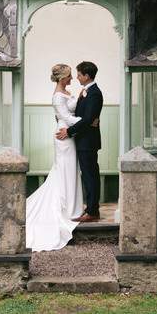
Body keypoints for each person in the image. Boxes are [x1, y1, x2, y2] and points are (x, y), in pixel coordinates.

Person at [25, 64, 84, 251]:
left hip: (70, 134)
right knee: (64, 170)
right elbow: (66, 117)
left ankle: (72, 205)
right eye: (68, 77)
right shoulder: (58, 96)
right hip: (64, 135)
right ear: (62, 78)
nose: (72, 79)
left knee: (69, 170)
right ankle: (66, 207)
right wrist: (87, 122)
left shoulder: (64, 92)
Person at [57, 60, 102, 222]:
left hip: (88, 142)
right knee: (88, 176)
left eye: (79, 75)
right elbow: (85, 118)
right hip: (83, 140)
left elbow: (89, 117)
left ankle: (92, 211)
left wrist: (69, 131)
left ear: (87, 76)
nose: (76, 78)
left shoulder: (95, 93)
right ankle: (90, 208)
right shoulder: (86, 91)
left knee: (90, 176)